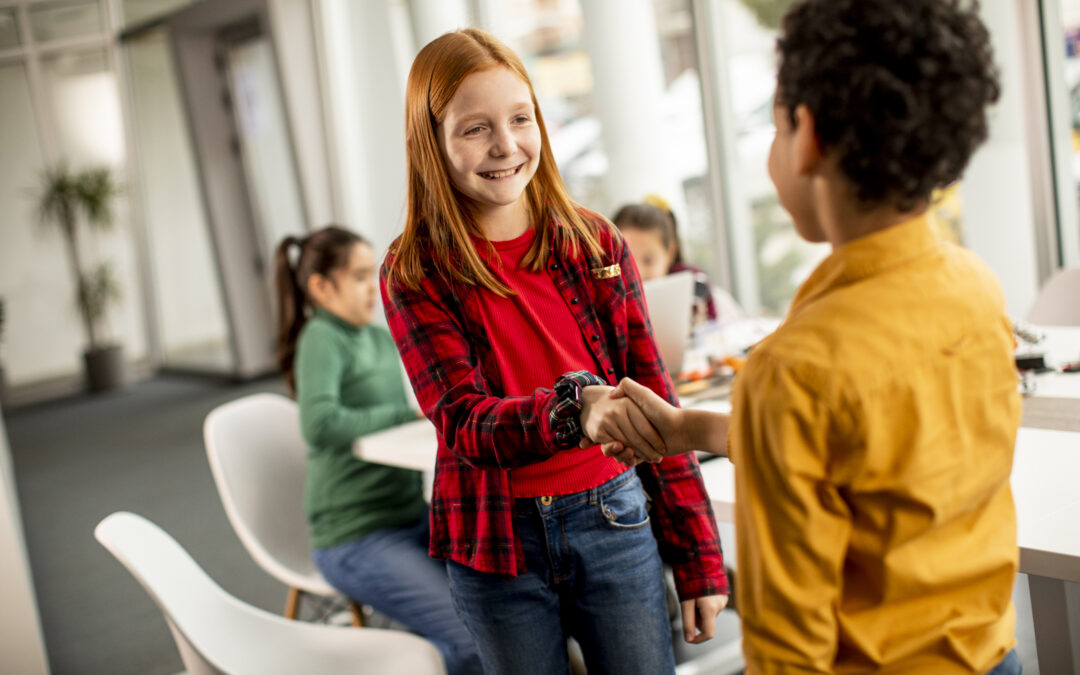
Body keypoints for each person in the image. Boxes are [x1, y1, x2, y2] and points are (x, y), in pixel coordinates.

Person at [607, 1, 1023, 673]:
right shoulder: (975, 288)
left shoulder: (793, 370)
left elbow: (788, 649)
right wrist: (689, 429)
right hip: (992, 654)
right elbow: (866, 459)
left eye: (773, 127)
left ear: (806, 135)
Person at [380, 28, 729, 675]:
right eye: (475, 128)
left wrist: (699, 556)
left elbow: (660, 404)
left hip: (614, 517)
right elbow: (464, 422)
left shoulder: (596, 245)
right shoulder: (414, 270)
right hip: (493, 540)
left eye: (520, 117)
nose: (506, 145)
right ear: (433, 143)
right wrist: (576, 408)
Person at [274, 226, 481, 675]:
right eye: (360, 276)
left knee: (509, 593)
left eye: (375, 274)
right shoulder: (323, 337)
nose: (375, 286)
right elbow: (320, 422)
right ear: (321, 287)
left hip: (410, 515)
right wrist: (406, 416)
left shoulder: (377, 336)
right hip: (357, 534)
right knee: (470, 636)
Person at [611, 198, 720, 326]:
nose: (637, 272)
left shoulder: (695, 288)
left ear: (670, 253)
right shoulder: (608, 299)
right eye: (627, 261)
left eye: (648, 261)